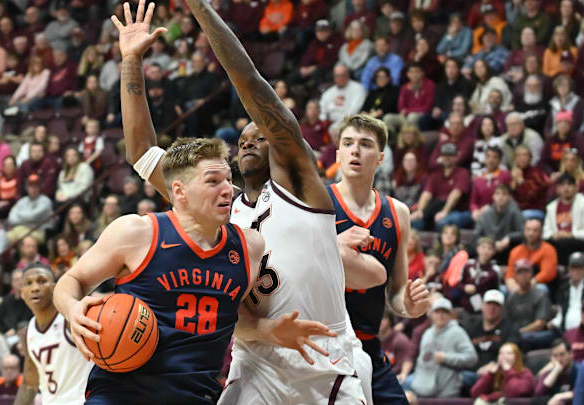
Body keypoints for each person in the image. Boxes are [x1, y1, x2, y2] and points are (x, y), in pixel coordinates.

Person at [117, 1, 427, 403]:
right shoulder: (216, 206)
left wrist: (201, 11)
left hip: (324, 362)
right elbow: (141, 152)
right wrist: (130, 61)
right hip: (255, 363)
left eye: (258, 136)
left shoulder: (301, 188)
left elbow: (248, 82)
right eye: (241, 141)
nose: (247, 142)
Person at [327, 115, 429, 402]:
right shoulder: (318, 203)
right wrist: (333, 245)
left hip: (368, 344)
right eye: (348, 143)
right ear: (338, 154)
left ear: (381, 157)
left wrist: (409, 306)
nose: (355, 150)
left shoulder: (398, 212)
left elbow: (396, 290)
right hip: (322, 344)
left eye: (365, 144)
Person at [14, 262, 93, 404]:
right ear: (21, 293)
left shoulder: (70, 316)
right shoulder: (28, 332)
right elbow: (29, 384)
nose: (35, 288)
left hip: (82, 400)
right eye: (28, 283)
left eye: (41, 281)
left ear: (54, 287)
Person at [410, 297, 478, 398]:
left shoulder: (457, 332)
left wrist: (446, 358)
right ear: (432, 314)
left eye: (444, 312)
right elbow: (421, 361)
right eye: (437, 312)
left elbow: (472, 358)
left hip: (446, 394)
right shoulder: (427, 333)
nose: (441, 315)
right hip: (422, 391)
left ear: (450, 315)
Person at [464, 290, 522, 390]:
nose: (492, 308)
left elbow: (512, 353)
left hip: (497, 373)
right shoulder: (471, 326)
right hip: (470, 371)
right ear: (482, 306)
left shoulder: (510, 328)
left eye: (496, 305)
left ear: (502, 309)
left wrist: (494, 365)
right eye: (488, 304)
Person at [543, 174, 584, 265]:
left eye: (569, 185)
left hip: (580, 242)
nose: (566, 188)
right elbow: (545, 232)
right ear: (557, 189)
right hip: (557, 242)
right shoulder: (551, 207)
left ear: (576, 187)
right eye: (562, 185)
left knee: (562, 243)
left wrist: (570, 235)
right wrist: (555, 235)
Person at [506, 258, 554, 351]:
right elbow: (507, 321)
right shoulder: (512, 297)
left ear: (531, 274)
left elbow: (539, 324)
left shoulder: (540, 294)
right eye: (520, 272)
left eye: (526, 271)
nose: (523, 275)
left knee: (525, 338)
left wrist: (519, 332)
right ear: (515, 276)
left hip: (534, 335)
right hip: (516, 335)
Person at [505, 218, 558, 293]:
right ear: (524, 231)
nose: (531, 233)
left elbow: (548, 273)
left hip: (536, 284)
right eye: (528, 230)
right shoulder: (515, 251)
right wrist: (513, 287)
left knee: (542, 288)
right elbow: (509, 275)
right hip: (518, 286)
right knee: (504, 290)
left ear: (541, 232)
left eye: (535, 230)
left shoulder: (548, 249)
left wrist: (528, 285)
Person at [470, 342, 535, 401]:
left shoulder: (525, 373)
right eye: (501, 353)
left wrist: (508, 371)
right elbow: (475, 393)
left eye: (509, 353)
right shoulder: (494, 373)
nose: (504, 356)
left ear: (517, 357)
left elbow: (513, 393)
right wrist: (490, 375)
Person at [550, 252, 584, 333]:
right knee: (530, 338)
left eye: (579, 267)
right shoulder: (564, 286)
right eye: (573, 267)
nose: (576, 271)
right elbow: (561, 310)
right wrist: (555, 322)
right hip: (563, 330)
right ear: (569, 269)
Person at [534, 339, 576, 405]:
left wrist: (559, 397)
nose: (559, 359)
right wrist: (555, 371)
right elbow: (538, 393)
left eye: (562, 354)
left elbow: (582, 391)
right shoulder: (551, 370)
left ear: (570, 354)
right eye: (555, 356)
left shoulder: (579, 369)